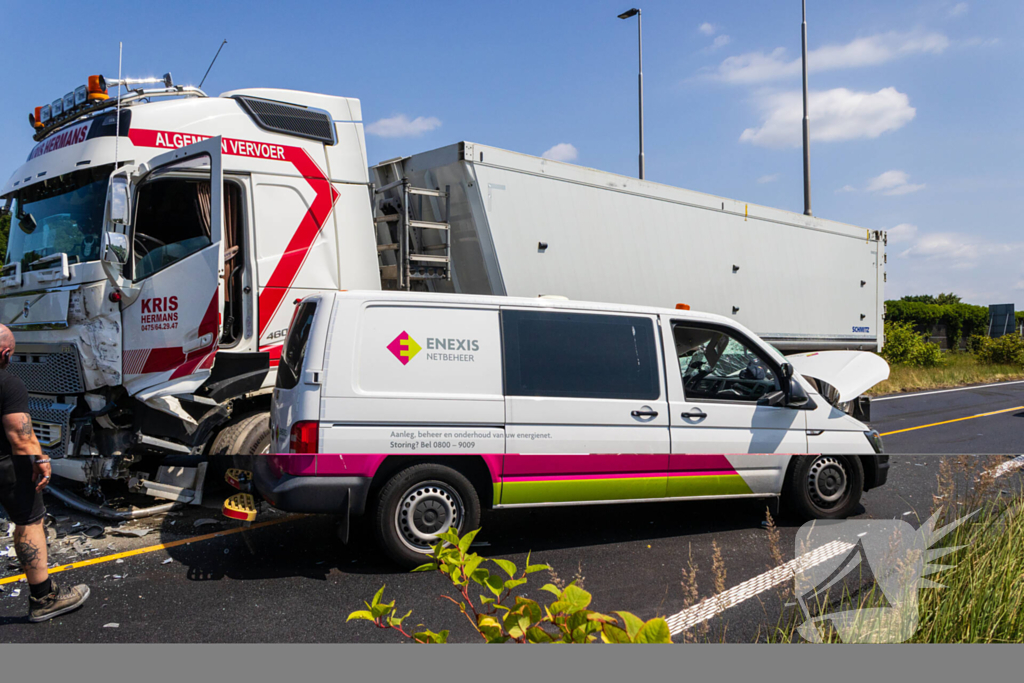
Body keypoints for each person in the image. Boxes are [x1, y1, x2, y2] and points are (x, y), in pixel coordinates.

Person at [0, 324, 90, 622]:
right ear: (5, 354)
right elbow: (20, 435)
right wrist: (42, 459)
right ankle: (44, 598)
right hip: (6, 467)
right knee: (28, 521)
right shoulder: (8, 383)